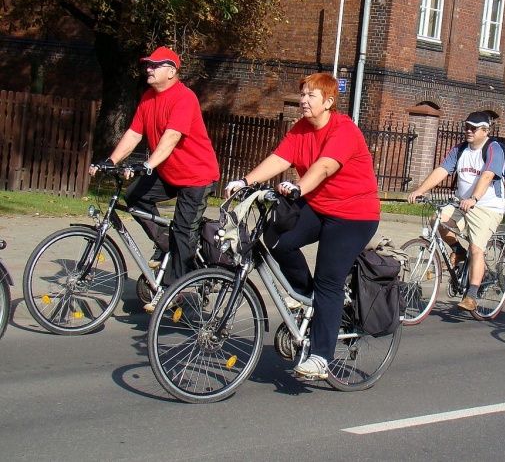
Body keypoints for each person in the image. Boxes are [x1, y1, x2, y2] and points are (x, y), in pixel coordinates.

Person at [225, 72, 380, 380]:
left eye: (311, 95)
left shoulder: (344, 131)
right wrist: (245, 181)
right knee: (275, 237)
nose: (304, 100)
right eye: (303, 94)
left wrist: (299, 187)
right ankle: (307, 300)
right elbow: (280, 158)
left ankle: (321, 356)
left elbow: (324, 166)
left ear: (329, 102)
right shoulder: (301, 129)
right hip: (319, 206)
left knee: (329, 279)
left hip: (354, 215)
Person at [89, 46, 219, 311]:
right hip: (169, 172)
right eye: (147, 64)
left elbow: (171, 137)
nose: (148, 69)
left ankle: (174, 290)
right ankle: (165, 244)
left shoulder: (184, 98)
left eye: (154, 65)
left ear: (171, 71)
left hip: (197, 176)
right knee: (134, 196)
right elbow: (134, 133)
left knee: (184, 230)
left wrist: (147, 164)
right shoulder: (148, 97)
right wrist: (111, 160)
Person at [407, 111, 505, 312]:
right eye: (466, 126)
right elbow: (442, 170)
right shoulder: (460, 149)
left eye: (474, 127)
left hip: (487, 206)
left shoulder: (494, 149)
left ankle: (471, 295)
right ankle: (457, 251)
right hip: (462, 202)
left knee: (477, 249)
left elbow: (487, 176)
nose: (468, 130)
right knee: (437, 220)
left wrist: (474, 199)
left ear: (485, 130)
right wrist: (419, 190)